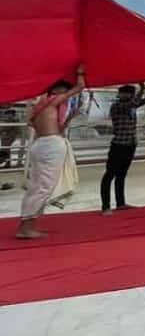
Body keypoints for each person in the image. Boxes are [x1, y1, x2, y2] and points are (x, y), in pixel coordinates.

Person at [17, 64, 85, 239]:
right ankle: (25, 228)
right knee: (42, 188)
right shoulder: (53, 101)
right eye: (64, 89)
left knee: (38, 187)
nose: (66, 93)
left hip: (42, 144)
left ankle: (28, 225)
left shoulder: (41, 107)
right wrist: (79, 72)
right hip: (50, 146)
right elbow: (80, 87)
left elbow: (58, 128)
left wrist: (71, 116)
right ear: (57, 90)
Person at [101, 81, 145, 215]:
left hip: (130, 145)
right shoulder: (117, 106)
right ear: (119, 94)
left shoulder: (132, 106)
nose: (127, 96)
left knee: (121, 175)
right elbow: (132, 103)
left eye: (129, 93)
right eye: (125, 93)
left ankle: (120, 203)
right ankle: (106, 206)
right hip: (118, 145)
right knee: (109, 175)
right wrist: (142, 88)